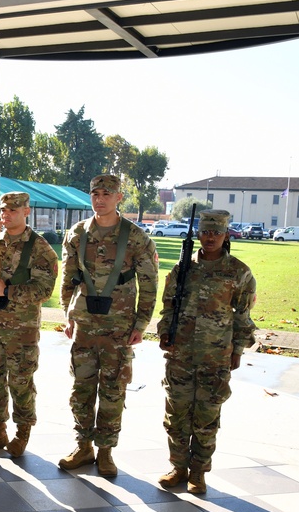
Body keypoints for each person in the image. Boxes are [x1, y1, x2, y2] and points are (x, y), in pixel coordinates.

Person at [58, 174, 158, 477]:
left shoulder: (136, 237)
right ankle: (84, 447)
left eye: (106, 193)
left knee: (114, 392)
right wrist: (68, 315)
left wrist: (141, 322)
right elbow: (68, 278)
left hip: (120, 327)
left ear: (119, 198)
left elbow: (150, 283)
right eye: (94, 194)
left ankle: (105, 451)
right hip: (85, 325)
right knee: (82, 389)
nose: (99, 199)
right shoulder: (77, 234)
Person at [156, 209, 256, 494]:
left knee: (206, 417)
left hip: (215, 355)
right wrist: (165, 333)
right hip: (181, 354)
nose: (210, 237)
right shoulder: (182, 269)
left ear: (226, 235)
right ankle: (178, 467)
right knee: (176, 414)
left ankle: (198, 472)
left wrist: (237, 348)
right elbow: (168, 306)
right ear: (198, 234)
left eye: (216, 232)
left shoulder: (238, 271)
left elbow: (243, 315)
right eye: (206, 232)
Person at [0, 192, 58, 457]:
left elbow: (44, 290)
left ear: (26, 211)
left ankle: (22, 433)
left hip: (21, 328)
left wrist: (8, 291)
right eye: (3, 210)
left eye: (13, 210)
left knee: (21, 382)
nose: (6, 214)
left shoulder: (40, 248)